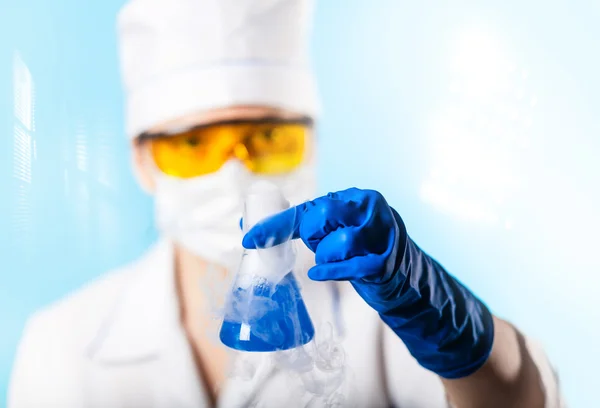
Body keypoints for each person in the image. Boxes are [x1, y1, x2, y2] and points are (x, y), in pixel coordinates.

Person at [8, 0, 565, 407]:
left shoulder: (380, 323)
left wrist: (449, 329)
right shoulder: (62, 344)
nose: (235, 170)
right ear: (142, 160)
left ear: (312, 142)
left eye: (268, 137)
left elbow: (526, 400)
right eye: (193, 144)